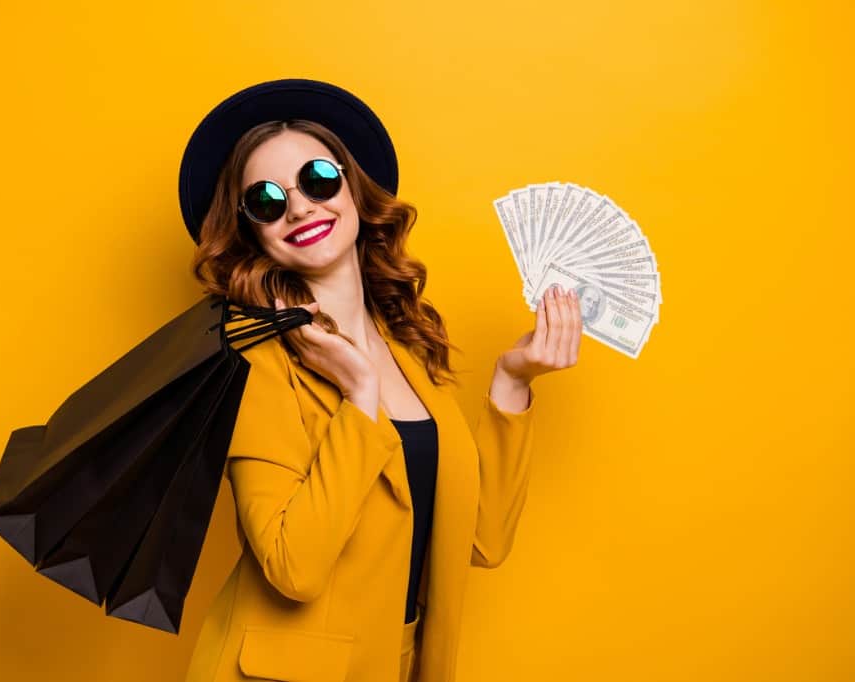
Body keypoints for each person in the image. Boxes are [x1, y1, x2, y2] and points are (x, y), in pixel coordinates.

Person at [177, 79, 582, 682]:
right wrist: (359, 397)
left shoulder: (407, 349)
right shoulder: (255, 361)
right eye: (266, 199)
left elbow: (479, 542)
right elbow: (294, 567)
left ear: (353, 187)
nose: (300, 208)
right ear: (250, 230)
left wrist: (513, 383)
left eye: (317, 179)